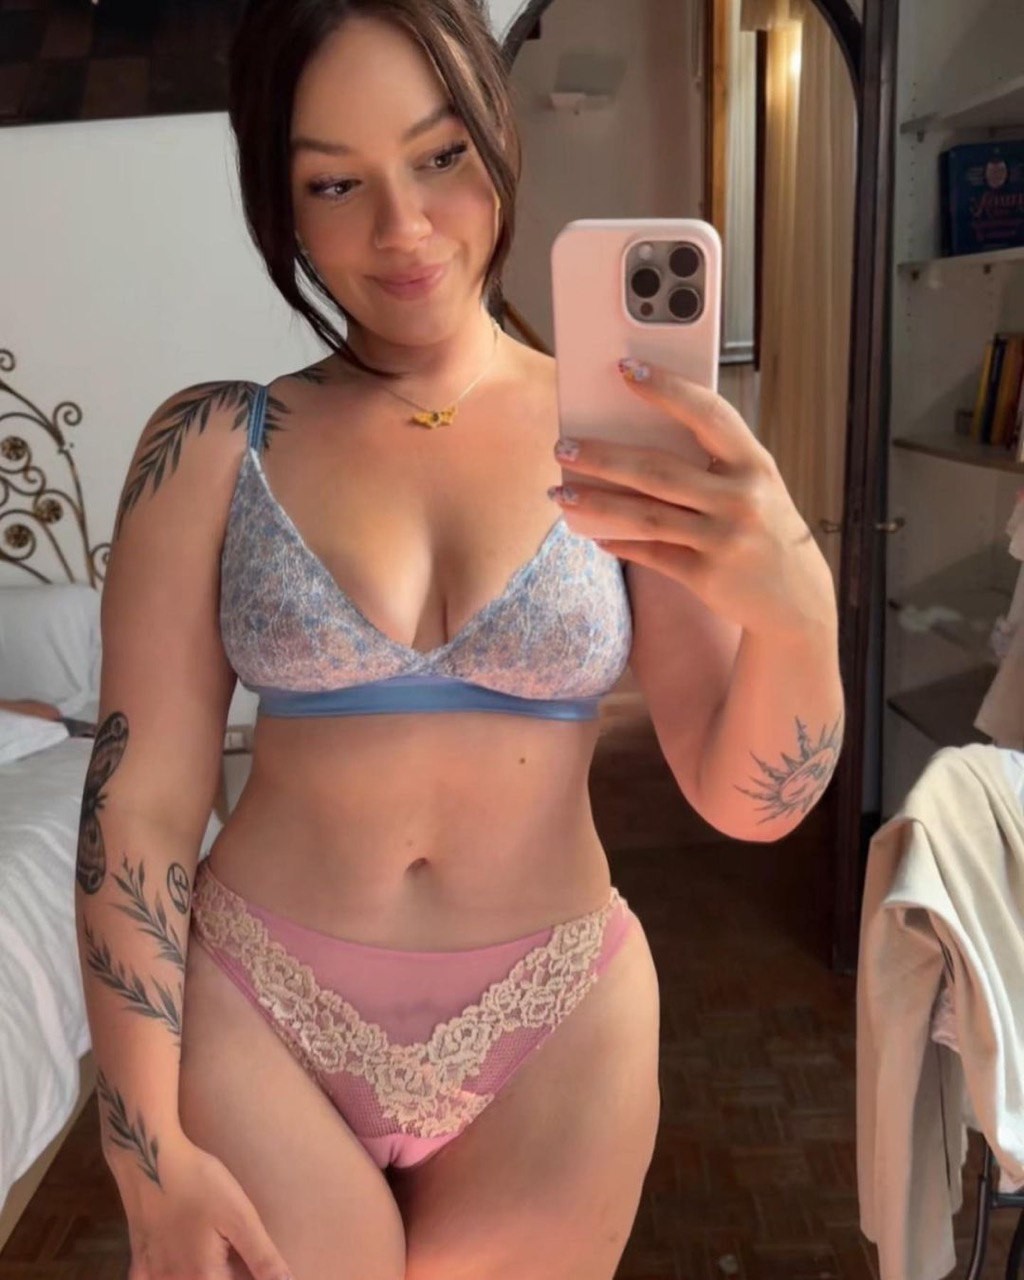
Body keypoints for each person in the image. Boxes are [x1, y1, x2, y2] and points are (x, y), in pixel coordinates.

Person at [74, 1, 845, 1278]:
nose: (403, 228)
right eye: (335, 182)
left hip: (557, 1015)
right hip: (259, 1001)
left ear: (497, 133)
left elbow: (744, 798)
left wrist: (797, 603)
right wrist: (140, 1144)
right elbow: (140, 804)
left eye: (439, 156)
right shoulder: (209, 444)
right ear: (280, 203)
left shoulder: (632, 437)